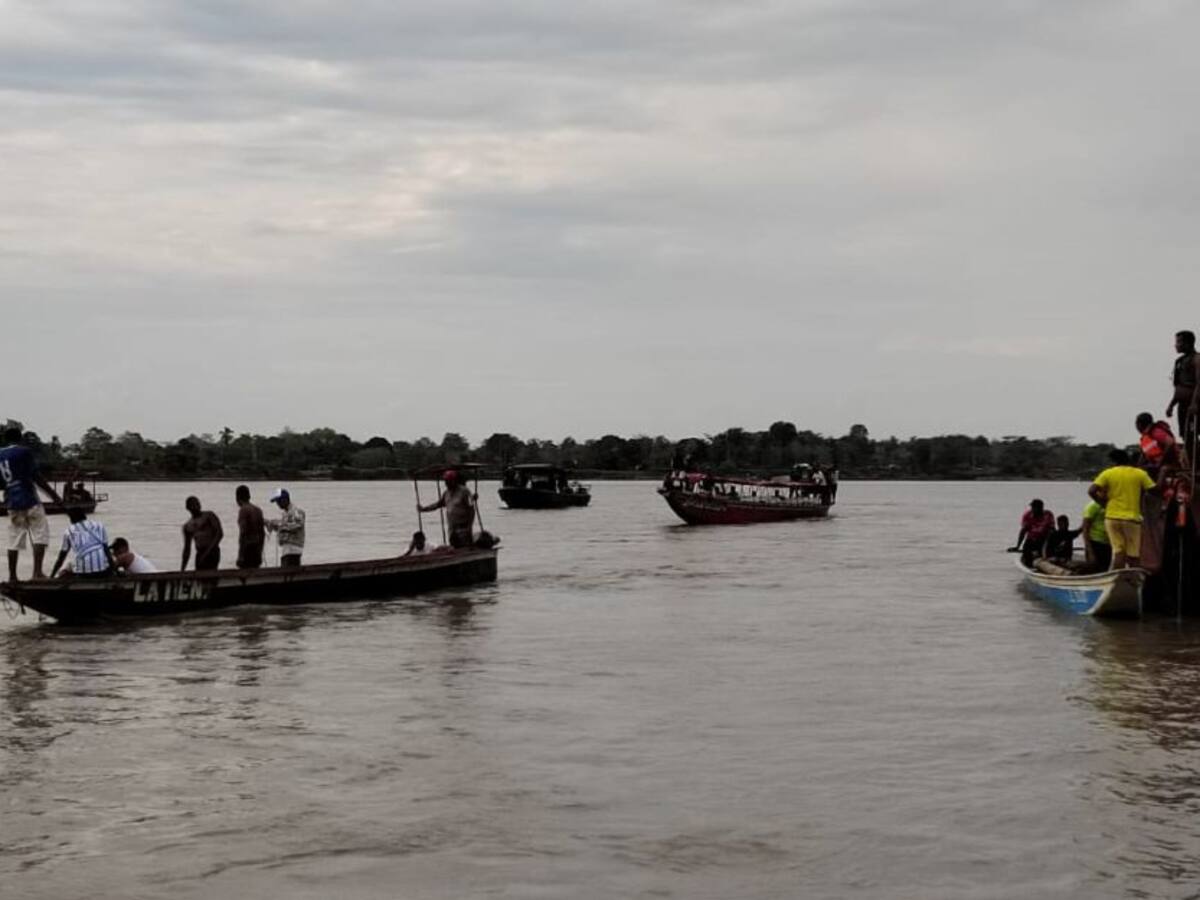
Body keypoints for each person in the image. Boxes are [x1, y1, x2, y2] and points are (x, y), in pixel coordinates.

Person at [1, 426, 62, 581]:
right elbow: (36, 476)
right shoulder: (24, 452)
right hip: (29, 499)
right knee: (40, 534)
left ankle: (13, 576)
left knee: (14, 539)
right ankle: (37, 573)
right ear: (20, 438)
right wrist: (55, 496)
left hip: (12, 502)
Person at [1088, 449, 1161, 570]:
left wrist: (1103, 504)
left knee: (1118, 552)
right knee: (1134, 556)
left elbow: (1091, 491)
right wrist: (1163, 473)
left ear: (1114, 461)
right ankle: (1133, 581)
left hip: (1111, 518)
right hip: (1131, 520)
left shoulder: (1107, 473)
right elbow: (1155, 491)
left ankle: (1115, 580)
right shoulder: (1139, 473)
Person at [418, 470, 477, 549]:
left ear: (454, 480)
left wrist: (469, 525)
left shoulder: (464, 492)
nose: (447, 483)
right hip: (452, 527)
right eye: (446, 481)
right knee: (454, 546)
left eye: (449, 481)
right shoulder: (446, 493)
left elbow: (471, 509)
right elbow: (438, 504)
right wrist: (424, 509)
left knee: (464, 546)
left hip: (463, 526)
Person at [50, 508, 113, 578]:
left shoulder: (69, 531)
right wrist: (114, 571)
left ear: (71, 519)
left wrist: (52, 576)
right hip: (102, 571)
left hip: (83, 574)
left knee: (67, 567)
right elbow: (107, 552)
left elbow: (61, 557)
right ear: (84, 516)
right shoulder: (99, 526)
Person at [1167, 330, 1200, 447]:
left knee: (1193, 432)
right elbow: (1178, 387)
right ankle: (1192, 463)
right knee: (1186, 435)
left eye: (1178, 342)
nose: (1176, 345)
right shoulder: (1179, 362)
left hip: (1194, 405)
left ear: (1187, 343)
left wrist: (1195, 403)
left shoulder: (1196, 359)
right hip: (1182, 405)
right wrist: (1171, 405)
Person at [181, 496, 224, 571]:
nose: (196, 506)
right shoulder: (187, 526)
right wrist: (182, 569)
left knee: (210, 573)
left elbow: (219, 534)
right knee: (199, 573)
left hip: (212, 551)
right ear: (188, 508)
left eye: (197, 503)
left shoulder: (209, 516)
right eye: (193, 504)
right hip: (200, 552)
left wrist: (208, 551)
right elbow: (187, 549)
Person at [265, 488, 305, 567]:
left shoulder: (297, 511)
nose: (277, 504)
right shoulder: (285, 513)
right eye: (276, 501)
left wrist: (276, 523)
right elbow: (285, 528)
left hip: (293, 549)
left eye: (279, 501)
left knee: (290, 574)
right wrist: (271, 524)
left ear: (285, 499)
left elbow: (295, 526)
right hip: (287, 549)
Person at [1011, 498, 1056, 565]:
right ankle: (1030, 564)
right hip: (1031, 539)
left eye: (1034, 508)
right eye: (1032, 507)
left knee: (1047, 552)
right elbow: (1023, 531)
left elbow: (1053, 529)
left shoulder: (1048, 514)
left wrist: (1055, 543)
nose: (1032, 509)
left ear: (1041, 508)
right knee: (1027, 551)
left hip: (1045, 539)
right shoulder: (1027, 515)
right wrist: (1018, 546)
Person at [235, 485, 266, 569]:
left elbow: (243, 532)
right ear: (249, 496)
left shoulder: (243, 510)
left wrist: (240, 555)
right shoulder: (258, 510)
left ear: (237, 498)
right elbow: (262, 533)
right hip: (257, 547)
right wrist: (260, 550)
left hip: (247, 548)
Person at [1081, 498, 1112, 571]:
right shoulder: (1092, 506)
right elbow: (1085, 530)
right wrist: (1090, 551)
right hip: (1094, 542)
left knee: (1105, 569)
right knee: (1093, 568)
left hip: (1107, 543)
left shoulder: (1110, 506)